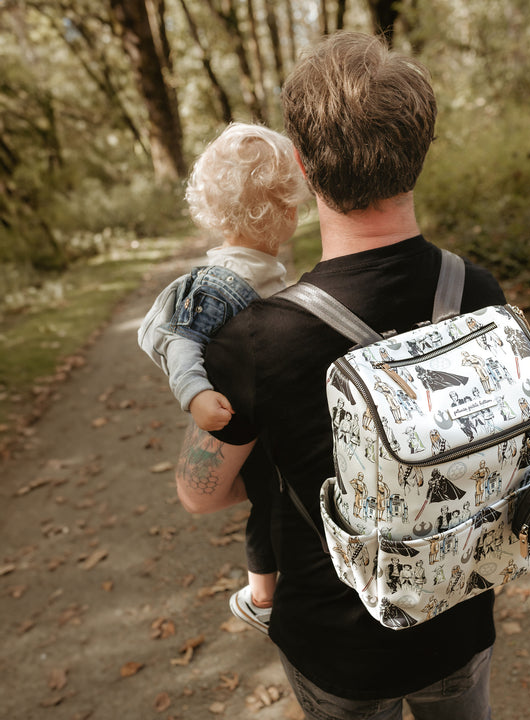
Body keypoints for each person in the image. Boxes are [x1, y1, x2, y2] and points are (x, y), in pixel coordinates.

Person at [174, 32, 506, 719]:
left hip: (339, 647)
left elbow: (199, 493)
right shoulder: (475, 291)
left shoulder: (258, 340)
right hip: (459, 609)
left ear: (301, 164)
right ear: (419, 148)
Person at [138, 122, 308, 633]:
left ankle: (268, 592)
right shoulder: (221, 283)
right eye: (291, 202)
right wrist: (197, 396)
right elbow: (182, 340)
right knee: (269, 501)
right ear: (283, 211)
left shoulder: (259, 268)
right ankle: (262, 600)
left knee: (272, 500)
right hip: (237, 413)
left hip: (260, 407)